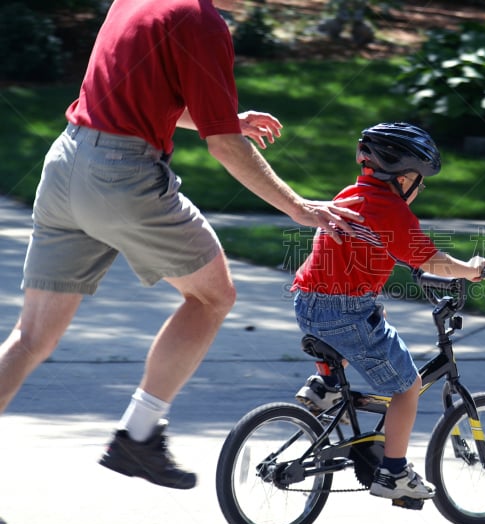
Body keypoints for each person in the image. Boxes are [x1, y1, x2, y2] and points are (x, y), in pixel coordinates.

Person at [0, 0, 362, 496]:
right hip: (122, 175)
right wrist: (298, 206)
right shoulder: (201, 20)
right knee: (213, 295)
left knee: (30, 337)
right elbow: (225, 148)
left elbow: (145, 94)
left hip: (67, 160)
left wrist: (225, 117)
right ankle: (140, 434)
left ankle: (139, 437)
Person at [292, 122, 485, 501]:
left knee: (373, 318)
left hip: (308, 301)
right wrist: (472, 269)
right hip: (344, 311)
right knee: (408, 387)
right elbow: (436, 261)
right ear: (402, 178)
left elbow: (377, 247)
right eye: (420, 179)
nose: (420, 187)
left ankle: (326, 386)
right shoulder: (391, 209)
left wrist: (412, 266)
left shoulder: (353, 193)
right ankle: (394, 473)